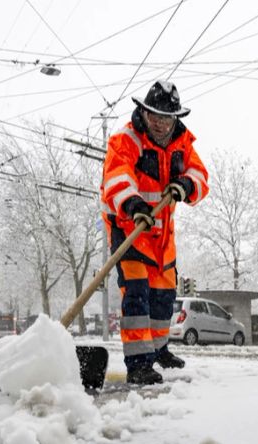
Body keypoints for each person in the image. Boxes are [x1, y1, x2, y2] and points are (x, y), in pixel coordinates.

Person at [101, 81, 210, 385]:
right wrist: (134, 205)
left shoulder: (182, 142)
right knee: (137, 297)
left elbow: (200, 174)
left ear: (175, 117)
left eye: (166, 117)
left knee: (163, 297)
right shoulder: (127, 139)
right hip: (130, 229)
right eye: (155, 116)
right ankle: (138, 363)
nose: (160, 123)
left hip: (162, 237)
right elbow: (116, 177)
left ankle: (159, 349)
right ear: (144, 113)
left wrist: (186, 185)